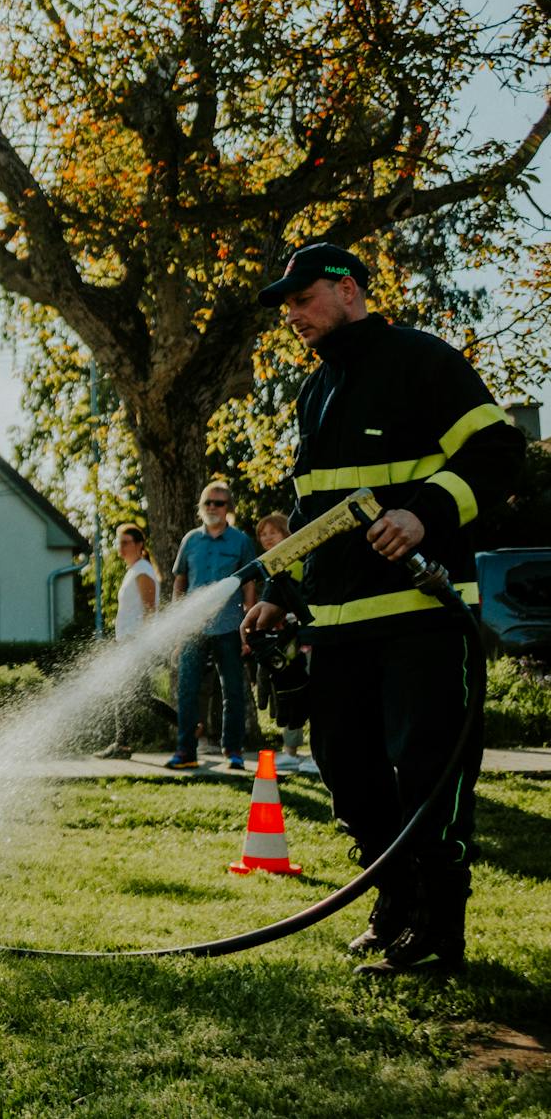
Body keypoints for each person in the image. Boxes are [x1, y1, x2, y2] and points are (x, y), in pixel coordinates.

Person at [242, 242, 523, 975]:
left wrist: (426, 513)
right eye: (288, 307)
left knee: (428, 772)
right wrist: (279, 591)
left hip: (423, 621)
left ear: (349, 291)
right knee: (351, 776)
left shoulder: (423, 363)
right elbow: (316, 512)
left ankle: (437, 929)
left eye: (302, 299)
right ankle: (394, 904)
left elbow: (499, 453)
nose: (293, 316)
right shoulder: (314, 394)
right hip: (337, 630)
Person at [165, 481, 258, 771]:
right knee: (188, 690)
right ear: (201, 508)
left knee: (232, 690)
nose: (213, 508)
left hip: (229, 626)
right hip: (193, 628)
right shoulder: (191, 540)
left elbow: (250, 585)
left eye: (219, 503)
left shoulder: (240, 541)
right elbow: (180, 582)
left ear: (228, 507)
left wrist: (248, 625)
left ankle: (233, 752)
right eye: (208, 503)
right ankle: (185, 750)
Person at [251, 513, 317, 777]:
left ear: (288, 534)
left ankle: (315, 754)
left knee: (312, 695)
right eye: (262, 534)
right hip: (287, 644)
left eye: (273, 532)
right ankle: (290, 753)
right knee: (289, 695)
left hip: (309, 641)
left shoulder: (301, 561)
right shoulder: (272, 566)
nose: (267, 537)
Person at [98, 523, 162, 758]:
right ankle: (121, 744)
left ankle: (122, 744)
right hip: (126, 641)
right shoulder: (134, 570)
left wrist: (140, 644)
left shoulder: (143, 571)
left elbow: (150, 610)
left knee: (132, 692)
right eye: (119, 542)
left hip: (135, 642)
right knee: (133, 693)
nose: (121, 547)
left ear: (139, 545)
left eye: (126, 542)